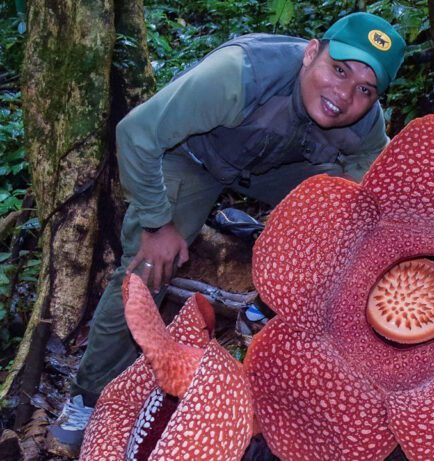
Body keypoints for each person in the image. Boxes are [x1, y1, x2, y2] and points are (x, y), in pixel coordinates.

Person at [47, 12, 405, 453]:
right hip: (194, 158)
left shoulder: (365, 124)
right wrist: (158, 224)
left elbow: (379, 198)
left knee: (350, 216)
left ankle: (270, 306)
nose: (344, 94)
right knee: (145, 270)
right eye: (339, 69)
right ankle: (87, 395)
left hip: (274, 169)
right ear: (312, 52)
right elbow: (137, 133)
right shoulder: (240, 74)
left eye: (365, 89)